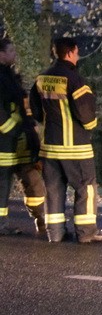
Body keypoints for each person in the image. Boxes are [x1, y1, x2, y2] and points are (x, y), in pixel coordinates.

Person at [30, 37, 102, 243]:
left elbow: (37, 114)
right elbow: (87, 116)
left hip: (49, 148)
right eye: (76, 51)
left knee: (53, 191)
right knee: (86, 189)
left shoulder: (41, 79)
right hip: (76, 149)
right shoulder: (75, 80)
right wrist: (90, 126)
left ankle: (55, 233)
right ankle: (86, 233)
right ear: (71, 52)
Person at [0, 37, 46, 236]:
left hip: (22, 139)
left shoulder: (9, 74)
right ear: (1, 53)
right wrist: (9, 129)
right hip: (5, 143)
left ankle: (44, 220)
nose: (15, 55)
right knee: (2, 184)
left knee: (32, 179)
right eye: (11, 51)